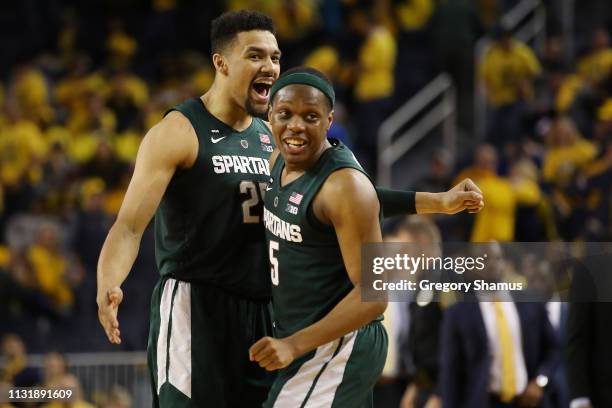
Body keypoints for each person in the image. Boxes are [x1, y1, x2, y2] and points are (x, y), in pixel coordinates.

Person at [97, 10, 484, 408]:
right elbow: (128, 226)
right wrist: (109, 281)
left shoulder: (274, 136)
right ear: (221, 62)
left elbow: (341, 192)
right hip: (197, 305)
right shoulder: (179, 131)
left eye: (275, 57)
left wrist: (437, 202)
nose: (269, 66)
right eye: (256, 56)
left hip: (265, 310)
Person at [249, 67, 483, 407]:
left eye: (310, 116)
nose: (296, 125)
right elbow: (365, 200)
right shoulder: (280, 161)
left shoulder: (344, 183)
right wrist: (439, 202)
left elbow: (374, 296)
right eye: (285, 114)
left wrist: (294, 344)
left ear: (329, 121)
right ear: (270, 115)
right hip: (309, 337)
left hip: (338, 342)